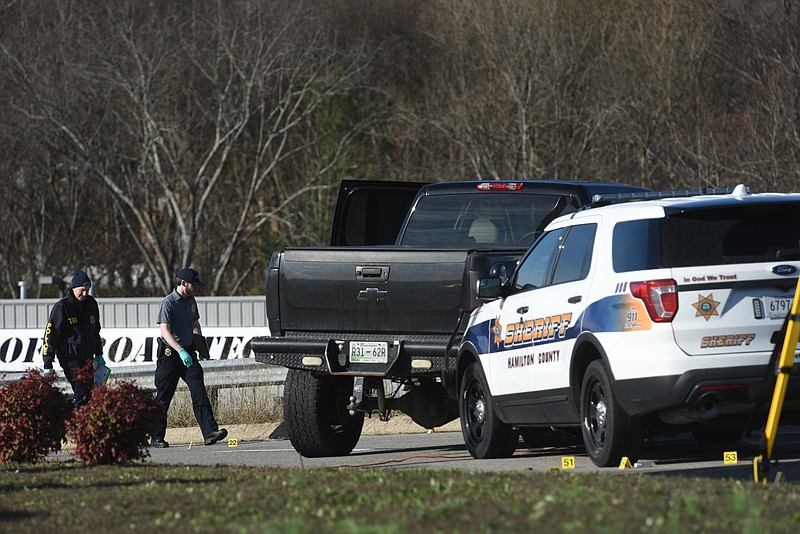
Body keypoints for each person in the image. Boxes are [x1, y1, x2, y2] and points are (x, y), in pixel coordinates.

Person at [151, 268, 227, 448]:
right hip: (170, 355)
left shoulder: (191, 300)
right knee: (164, 396)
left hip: (189, 354)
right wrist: (180, 350)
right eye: (194, 285)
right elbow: (164, 331)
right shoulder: (168, 302)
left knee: (198, 390)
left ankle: (209, 432)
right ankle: (156, 436)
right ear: (183, 283)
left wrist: (200, 346)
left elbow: (194, 323)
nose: (196, 288)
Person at [42, 270, 105, 409]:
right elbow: (50, 335)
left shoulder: (91, 304)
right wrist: (48, 363)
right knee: (81, 393)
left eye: (87, 290)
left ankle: (82, 425)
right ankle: (76, 426)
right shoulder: (62, 307)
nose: (85, 294)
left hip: (87, 357)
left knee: (90, 395)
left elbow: (95, 331)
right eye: (82, 290)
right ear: (73, 288)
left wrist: (99, 354)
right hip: (70, 358)